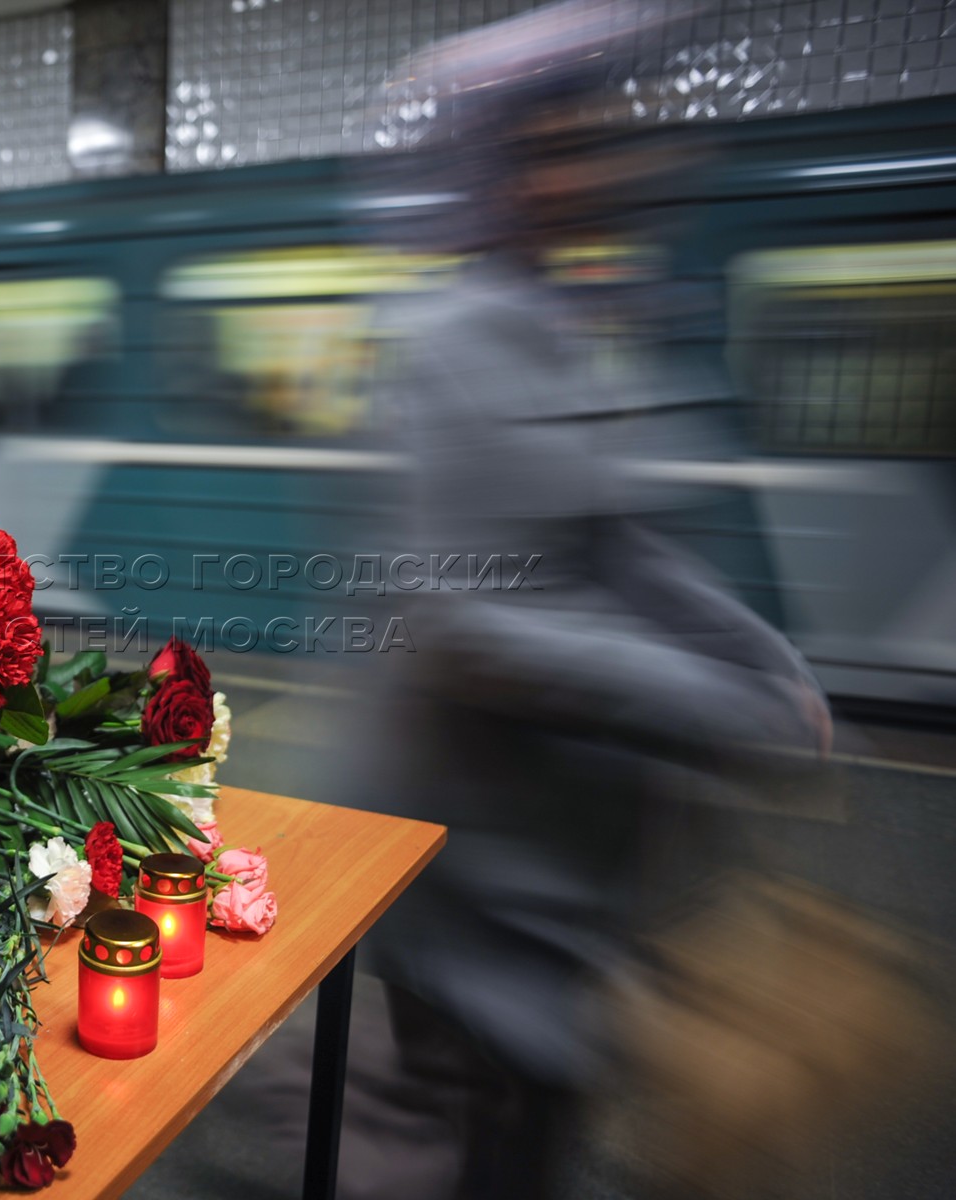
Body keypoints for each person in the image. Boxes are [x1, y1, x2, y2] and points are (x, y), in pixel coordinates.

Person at [339, 7, 833, 1197]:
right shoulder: (441, 342)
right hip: (474, 868)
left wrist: (768, 662)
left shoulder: (570, 335)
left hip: (569, 861)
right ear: (503, 174)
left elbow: (625, 550)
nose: (604, 169)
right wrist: (709, 701)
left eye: (604, 144)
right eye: (566, 146)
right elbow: (456, 623)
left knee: (526, 1138)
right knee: (491, 1143)